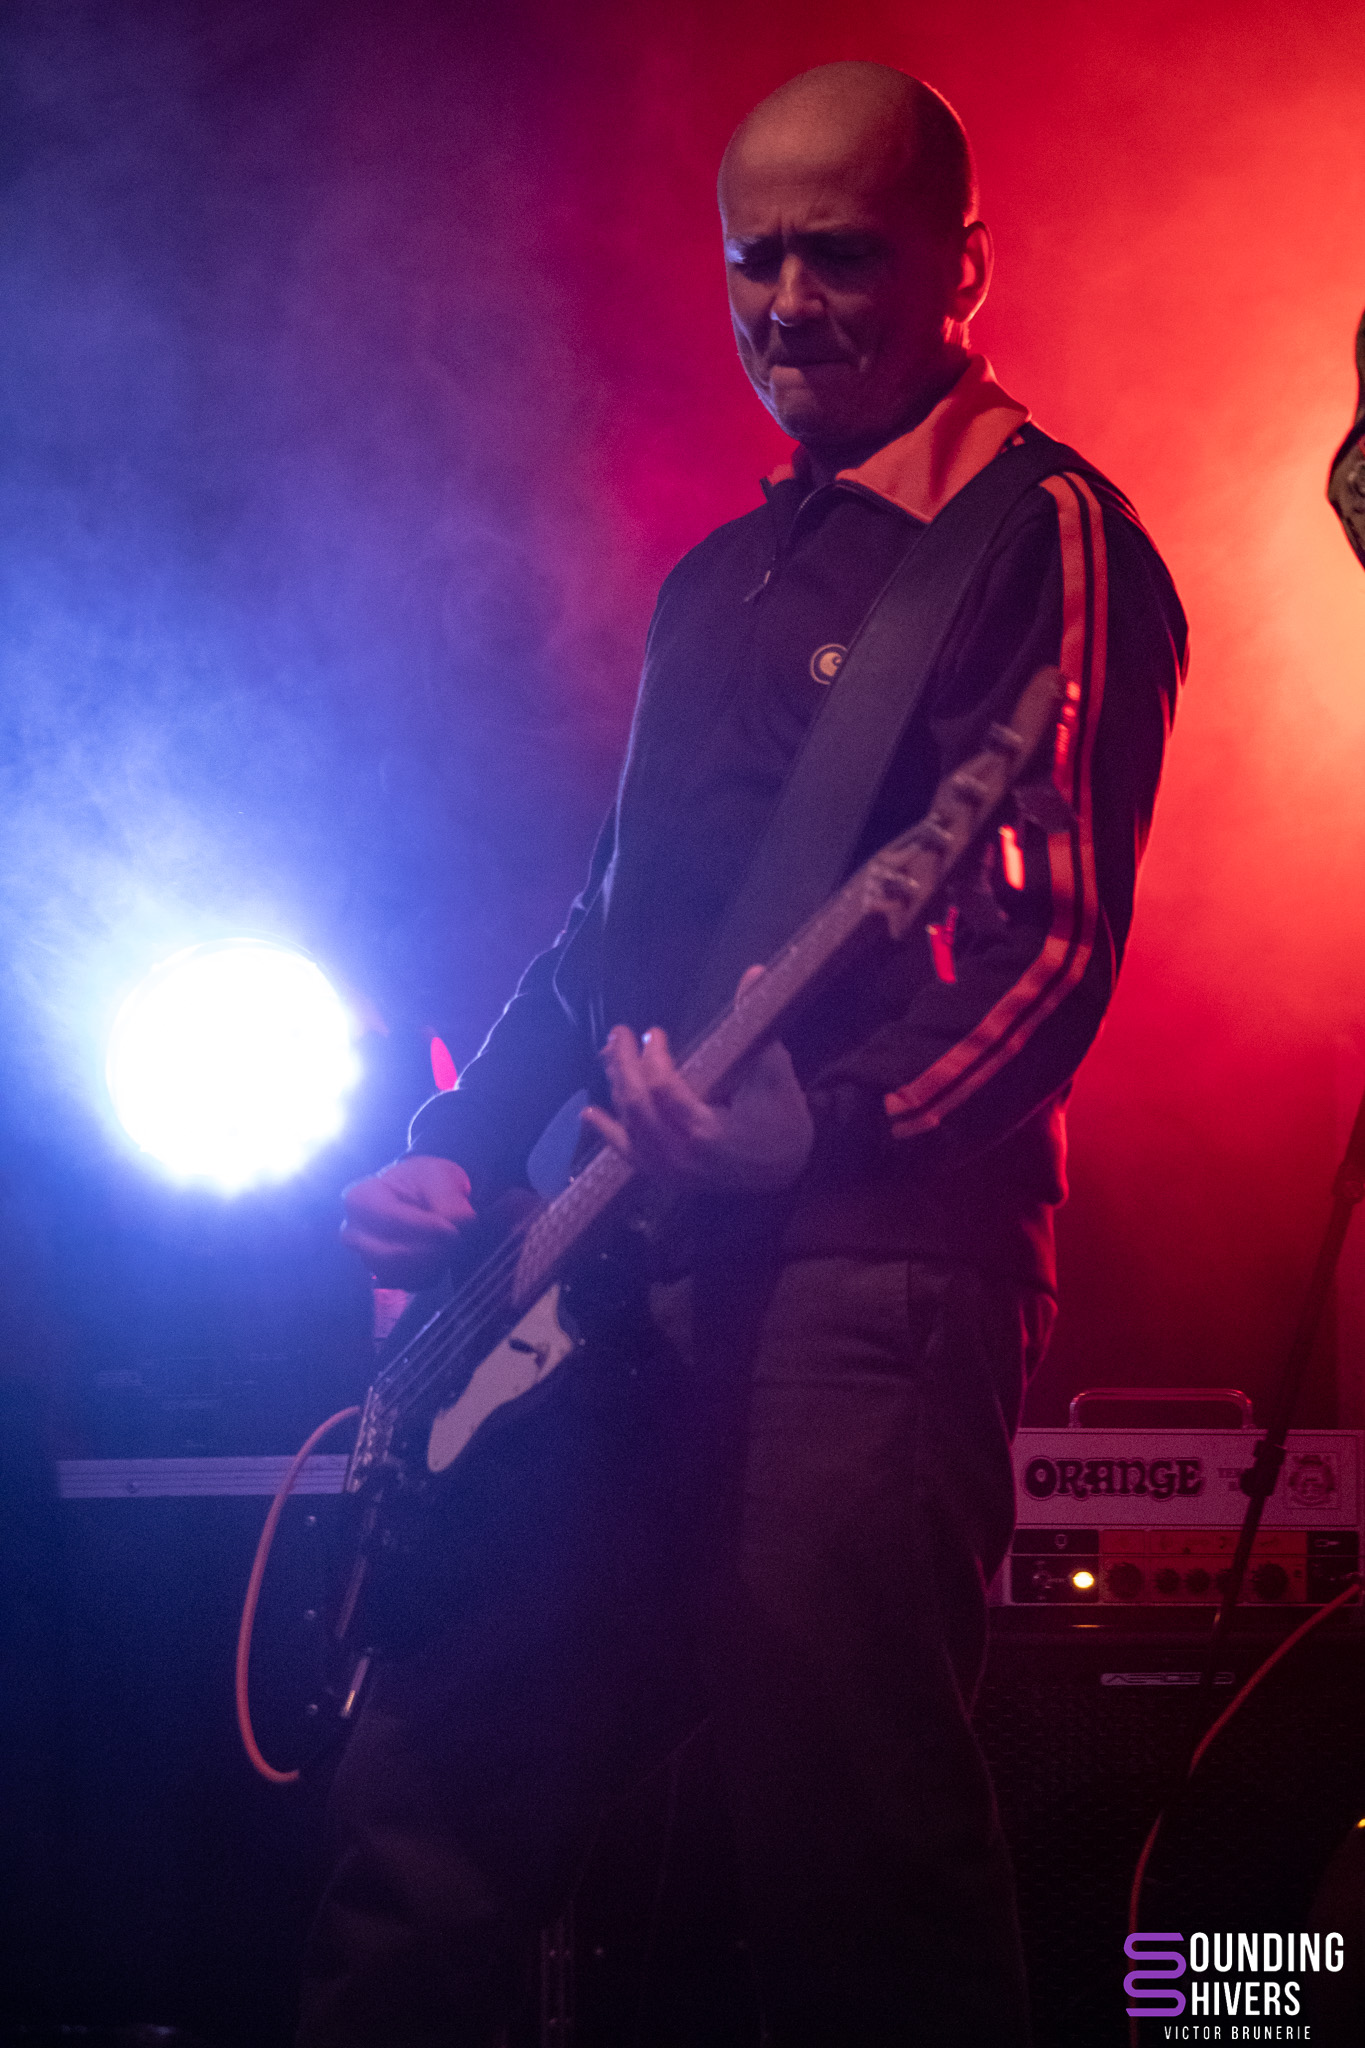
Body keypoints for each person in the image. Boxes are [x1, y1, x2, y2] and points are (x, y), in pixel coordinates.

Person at [300, 61, 1186, 2047]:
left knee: (843, 1852)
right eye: (750, 260)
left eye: (838, 253)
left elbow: (1048, 954)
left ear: (962, 266)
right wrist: (462, 1141)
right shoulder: (719, 578)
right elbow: (600, 937)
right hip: (610, 1270)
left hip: (869, 1280)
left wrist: (827, 1135)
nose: (785, 304)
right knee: (431, 1796)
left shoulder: (1039, 538)